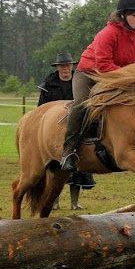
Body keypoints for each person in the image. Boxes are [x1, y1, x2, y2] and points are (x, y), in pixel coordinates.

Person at [60, 0, 135, 171]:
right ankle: (68, 151)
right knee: (81, 104)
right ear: (123, 15)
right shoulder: (107, 34)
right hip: (89, 74)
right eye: (134, 15)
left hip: (120, 77)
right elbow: (103, 66)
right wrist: (131, 75)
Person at [38, 52, 95, 209]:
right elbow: (41, 108)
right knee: (54, 166)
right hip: (53, 129)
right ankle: (54, 201)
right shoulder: (49, 85)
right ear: (57, 68)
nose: (65, 68)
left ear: (71, 66)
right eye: (62, 66)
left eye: (68, 65)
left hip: (76, 128)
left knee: (78, 164)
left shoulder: (80, 83)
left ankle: (74, 203)